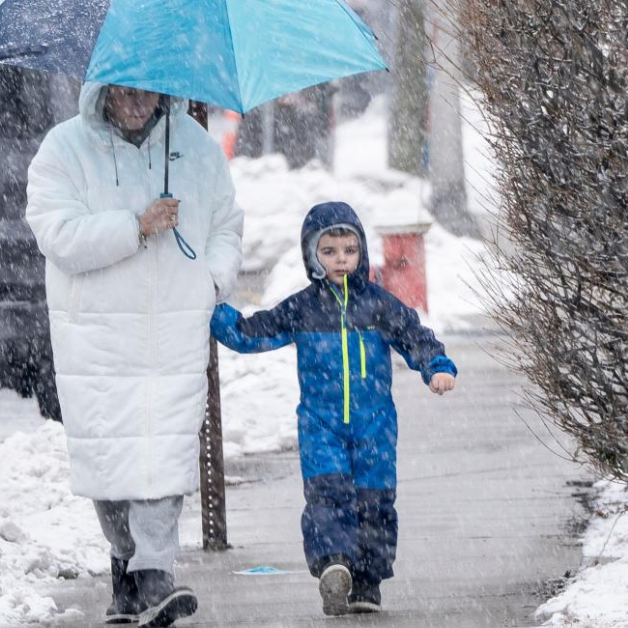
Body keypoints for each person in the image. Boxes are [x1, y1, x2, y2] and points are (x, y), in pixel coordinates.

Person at [25, 83, 243, 628]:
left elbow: (227, 224)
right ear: (103, 93)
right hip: (96, 338)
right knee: (111, 464)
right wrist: (134, 226)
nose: (138, 103)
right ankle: (126, 566)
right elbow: (57, 234)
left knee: (163, 452)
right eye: (125, 92)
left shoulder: (194, 146)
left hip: (172, 329)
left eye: (148, 93)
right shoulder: (63, 149)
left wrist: (210, 281)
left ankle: (154, 573)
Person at [211, 201, 457, 616]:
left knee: (375, 501)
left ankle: (367, 582)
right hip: (320, 424)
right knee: (328, 497)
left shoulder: (379, 305)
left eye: (349, 250)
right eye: (329, 252)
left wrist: (437, 367)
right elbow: (253, 333)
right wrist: (213, 311)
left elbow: (416, 337)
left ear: (361, 254)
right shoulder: (303, 307)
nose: (340, 260)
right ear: (312, 255)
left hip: (374, 425)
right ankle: (334, 566)